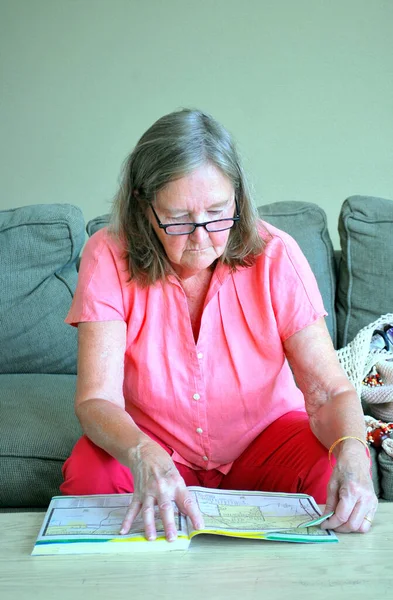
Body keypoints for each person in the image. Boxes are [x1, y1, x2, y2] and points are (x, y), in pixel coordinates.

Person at [61, 108, 377, 541]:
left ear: (238, 198)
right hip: (157, 445)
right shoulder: (107, 255)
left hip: (265, 443)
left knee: (333, 469)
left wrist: (355, 455)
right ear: (143, 204)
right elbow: (97, 399)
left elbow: (328, 391)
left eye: (217, 212)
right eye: (178, 218)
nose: (201, 236)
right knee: (87, 478)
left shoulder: (276, 254)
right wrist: (141, 452)